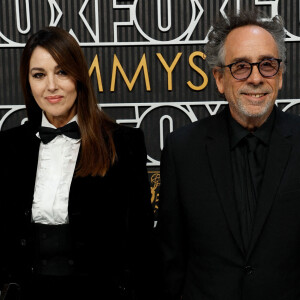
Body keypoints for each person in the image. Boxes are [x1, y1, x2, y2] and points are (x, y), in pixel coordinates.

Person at [0, 27, 154, 300]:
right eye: (39, 75)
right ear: (28, 81)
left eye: (62, 72)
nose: (51, 86)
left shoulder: (123, 143)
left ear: (79, 76)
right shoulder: (7, 147)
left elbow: (141, 244)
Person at [157, 10, 300, 300]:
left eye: (267, 65)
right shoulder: (182, 149)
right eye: (241, 67)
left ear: (281, 76)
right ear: (220, 79)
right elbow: (169, 256)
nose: (256, 78)